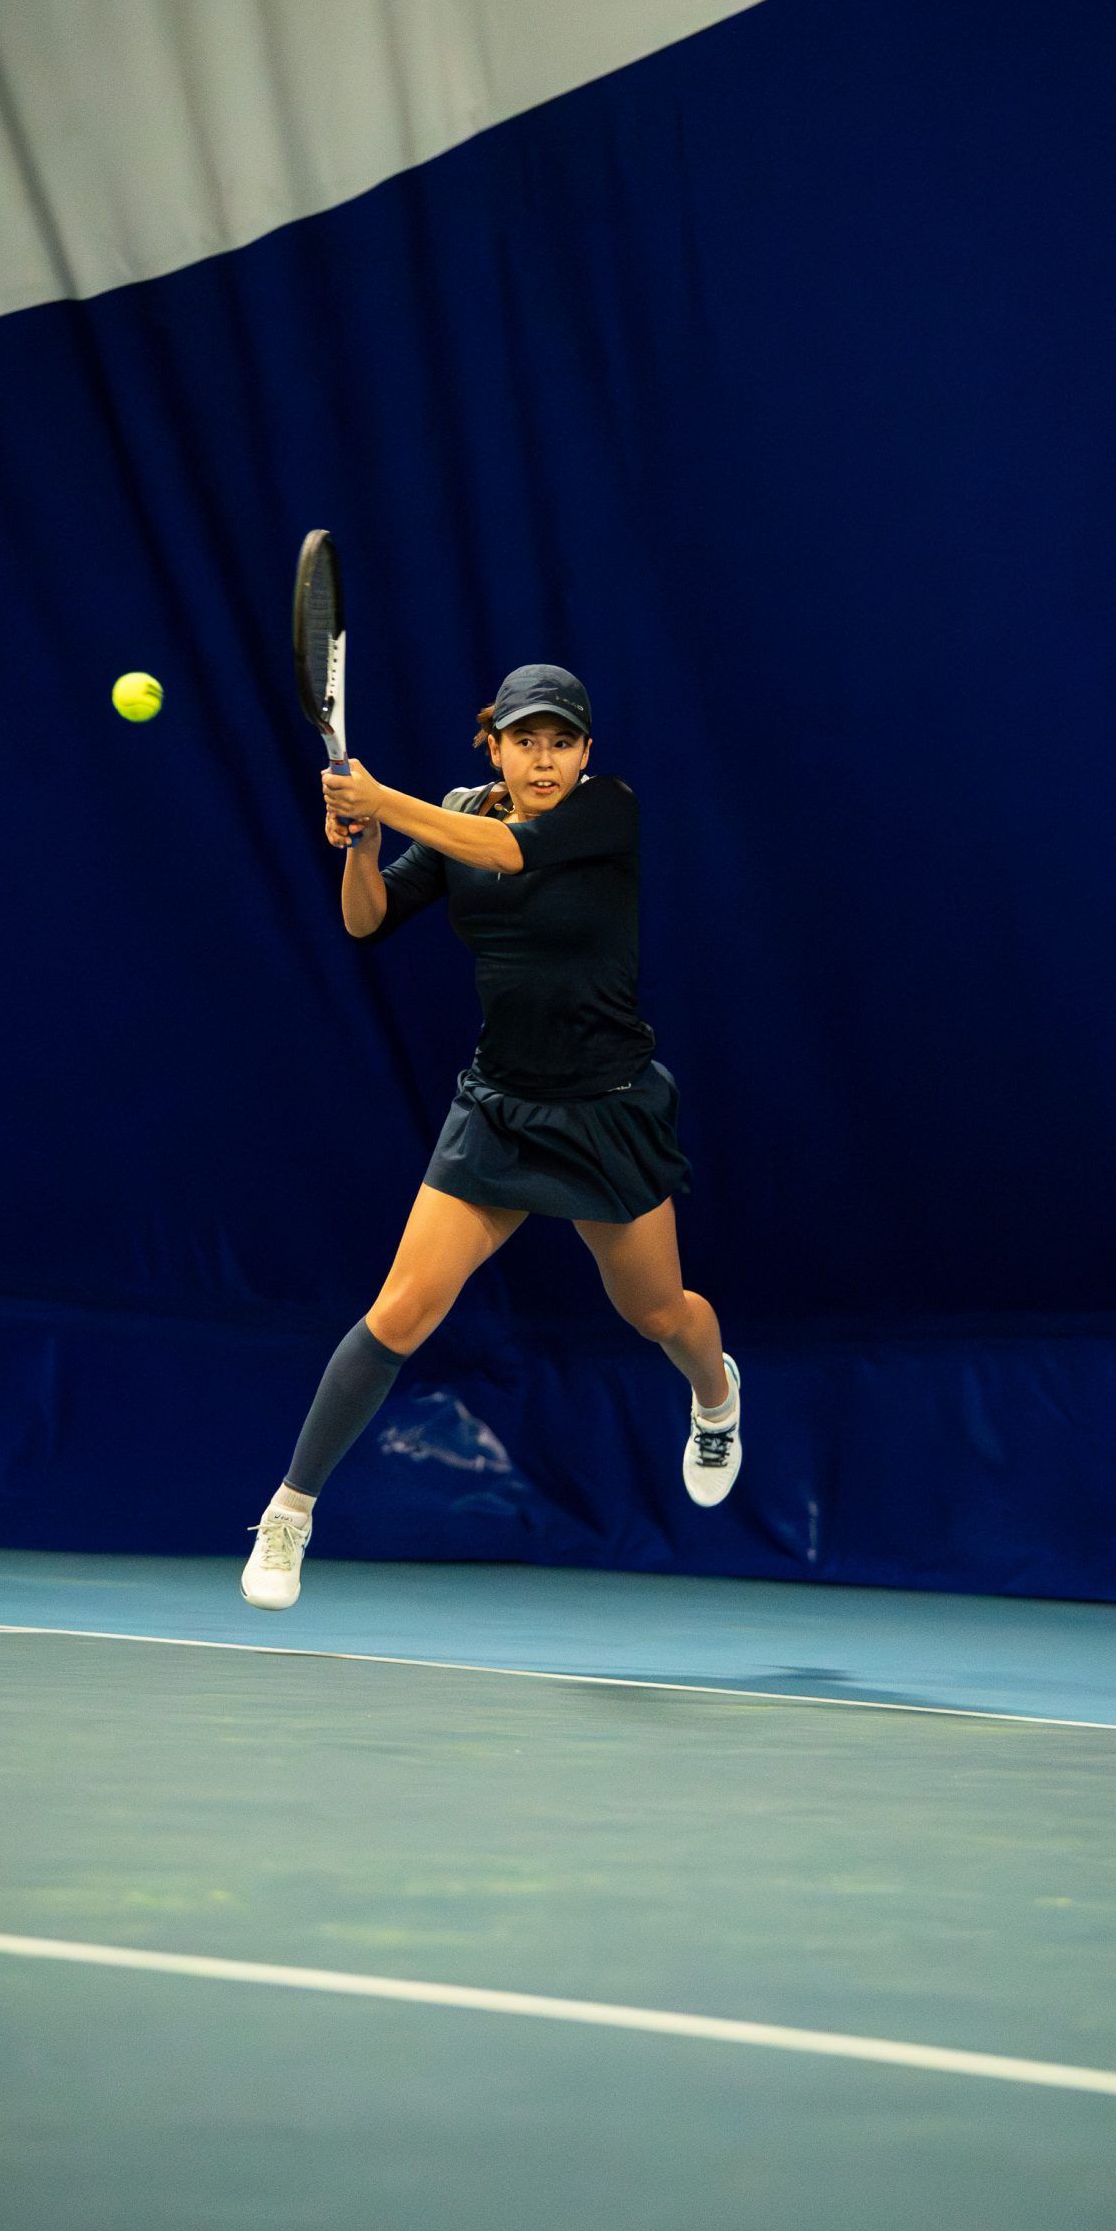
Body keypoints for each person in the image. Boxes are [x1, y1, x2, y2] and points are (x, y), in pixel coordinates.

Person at [241, 661, 740, 1608]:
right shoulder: (459, 813)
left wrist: (381, 800)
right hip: (501, 1108)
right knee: (400, 1312)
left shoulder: (609, 812)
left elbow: (511, 854)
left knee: (658, 1314)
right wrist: (363, 843)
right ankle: (289, 1512)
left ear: (586, 754)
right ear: (495, 747)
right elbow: (367, 921)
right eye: (525, 742)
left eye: (561, 743)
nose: (544, 761)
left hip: (607, 1107)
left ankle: (716, 1397)